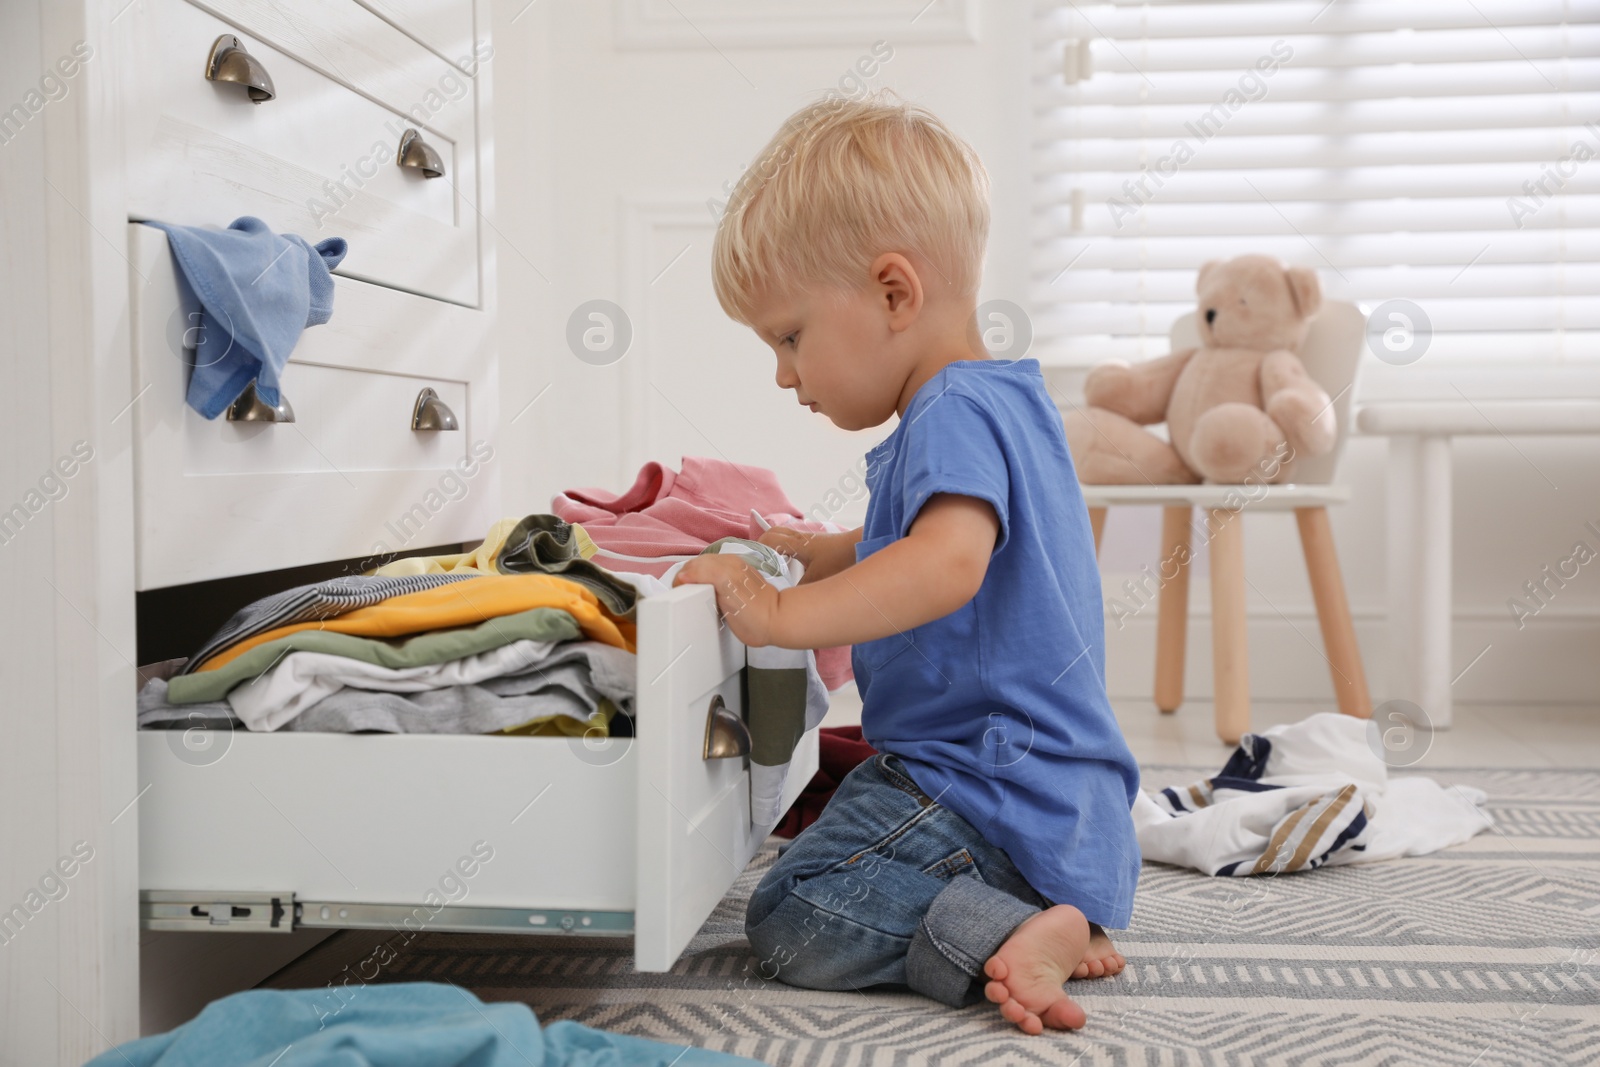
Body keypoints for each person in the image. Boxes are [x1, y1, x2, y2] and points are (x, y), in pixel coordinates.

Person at [673, 91, 1140, 1035]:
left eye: (790, 336)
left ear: (894, 293)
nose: (783, 374)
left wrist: (772, 613)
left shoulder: (950, 415)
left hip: (988, 791)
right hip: (1061, 799)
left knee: (791, 910)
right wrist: (824, 551)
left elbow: (948, 567)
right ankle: (1056, 908)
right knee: (838, 823)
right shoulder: (999, 400)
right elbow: (935, 543)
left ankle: (1009, 924)